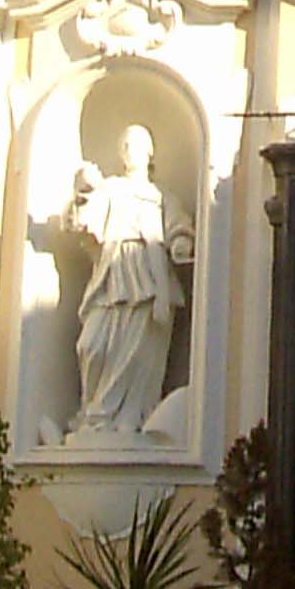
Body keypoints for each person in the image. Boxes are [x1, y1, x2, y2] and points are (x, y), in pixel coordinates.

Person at [60, 125, 194, 442]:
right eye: (124, 145)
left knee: (140, 353)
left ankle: (132, 417)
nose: (128, 151)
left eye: (134, 145)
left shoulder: (161, 197)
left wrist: (180, 244)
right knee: (91, 345)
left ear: (149, 152)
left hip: (149, 278)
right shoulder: (112, 189)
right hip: (112, 274)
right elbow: (81, 221)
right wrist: (84, 192)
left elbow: (179, 227)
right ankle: (94, 416)